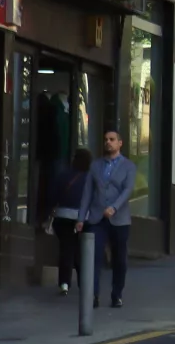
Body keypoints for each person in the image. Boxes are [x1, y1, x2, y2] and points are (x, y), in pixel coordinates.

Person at [79, 130, 136, 308]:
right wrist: (81, 218)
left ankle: (117, 294)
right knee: (93, 257)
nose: (108, 142)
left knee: (119, 259)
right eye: (106, 140)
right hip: (97, 219)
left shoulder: (128, 166)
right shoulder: (95, 166)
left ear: (120, 143)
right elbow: (87, 192)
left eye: (112, 139)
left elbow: (127, 190)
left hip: (120, 220)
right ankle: (93, 295)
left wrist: (114, 207)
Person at [49, 148, 92, 295]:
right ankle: (84, 282)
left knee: (66, 249)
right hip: (84, 218)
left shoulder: (63, 175)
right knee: (81, 250)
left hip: (63, 216)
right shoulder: (90, 179)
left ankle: (64, 283)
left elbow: (53, 195)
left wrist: (49, 211)